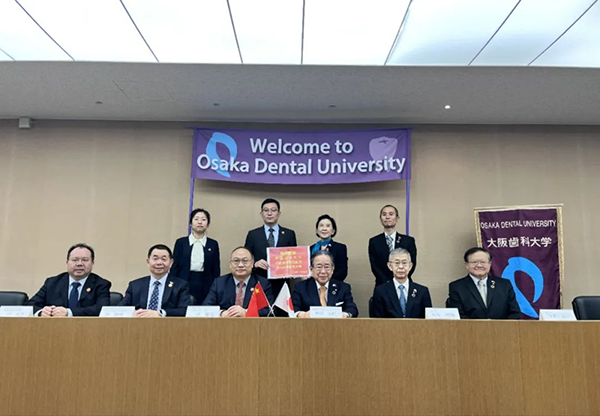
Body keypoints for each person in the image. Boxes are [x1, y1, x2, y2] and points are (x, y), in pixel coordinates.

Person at [26, 243, 111, 317]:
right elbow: (29, 306)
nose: (79, 264)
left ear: (92, 263)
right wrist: (41, 312)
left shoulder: (101, 284)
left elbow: (102, 309)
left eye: (85, 260)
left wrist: (69, 313)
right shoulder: (52, 283)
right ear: (67, 262)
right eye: (75, 260)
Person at [446, 247, 520, 319]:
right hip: (470, 327)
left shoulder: (504, 285)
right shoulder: (457, 287)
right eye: (474, 262)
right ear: (467, 265)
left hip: (502, 327)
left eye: (483, 262)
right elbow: (458, 316)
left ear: (490, 264)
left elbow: (514, 313)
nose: (479, 265)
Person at [244, 198, 297, 298]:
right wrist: (255, 264)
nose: (269, 213)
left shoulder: (289, 234)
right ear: (261, 214)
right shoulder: (253, 234)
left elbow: (293, 258)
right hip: (259, 282)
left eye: (273, 210)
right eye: (266, 210)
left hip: (282, 284)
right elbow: (246, 258)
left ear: (279, 213)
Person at [120, 244, 190, 317]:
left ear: (171, 263)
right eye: (155, 259)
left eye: (163, 259)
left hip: (167, 323)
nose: (159, 263)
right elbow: (120, 309)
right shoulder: (135, 285)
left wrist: (160, 313)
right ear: (148, 262)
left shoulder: (180, 285)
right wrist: (133, 313)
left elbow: (184, 311)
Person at [203, 246, 274, 317]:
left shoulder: (263, 283)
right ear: (230, 264)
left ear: (252, 263)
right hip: (226, 323)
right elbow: (206, 308)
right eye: (236, 261)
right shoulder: (219, 283)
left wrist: (247, 313)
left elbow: (270, 311)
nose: (240, 265)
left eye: (245, 261)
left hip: (252, 323)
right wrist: (222, 313)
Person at [172, 208, 220, 305]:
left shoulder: (213, 244)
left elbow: (216, 268)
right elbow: (174, 266)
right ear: (190, 223)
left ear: (208, 224)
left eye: (203, 219)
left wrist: (215, 286)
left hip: (205, 282)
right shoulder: (181, 242)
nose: (200, 222)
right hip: (184, 280)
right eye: (196, 219)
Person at [292, 250, 358, 318]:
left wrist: (346, 314)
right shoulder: (301, 287)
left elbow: (352, 309)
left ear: (332, 269)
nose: (323, 271)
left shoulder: (343, 288)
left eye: (327, 267)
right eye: (319, 267)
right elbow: (294, 308)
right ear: (311, 269)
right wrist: (302, 314)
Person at [372, 248, 431, 318]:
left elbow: (428, 320)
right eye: (397, 263)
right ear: (390, 266)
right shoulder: (380, 291)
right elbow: (377, 321)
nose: (401, 267)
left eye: (404, 263)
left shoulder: (422, 292)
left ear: (410, 266)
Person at [368, 204, 417, 286]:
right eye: (384, 214)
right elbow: (374, 266)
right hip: (382, 285)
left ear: (397, 218)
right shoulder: (374, 241)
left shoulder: (408, 241)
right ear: (380, 218)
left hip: (404, 283)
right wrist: (388, 283)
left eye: (391, 214)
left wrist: (399, 279)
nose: (387, 217)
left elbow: (412, 263)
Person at [309, 214, 348, 281]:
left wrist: (324, 282)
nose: (324, 229)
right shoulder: (311, 249)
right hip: (313, 284)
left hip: (333, 283)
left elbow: (342, 272)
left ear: (333, 231)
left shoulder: (340, 248)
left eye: (328, 226)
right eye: (321, 226)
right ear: (317, 230)